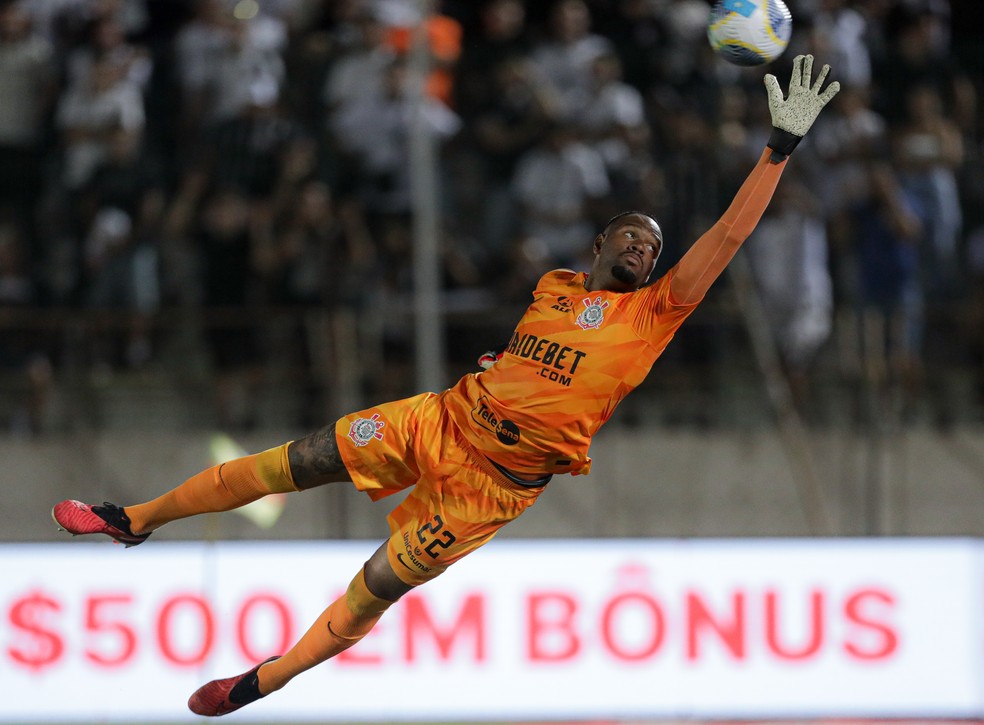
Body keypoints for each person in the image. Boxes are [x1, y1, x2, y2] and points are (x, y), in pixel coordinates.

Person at [51, 56, 840, 718]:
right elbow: (534, 357)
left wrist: (777, 149)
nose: (646, 244)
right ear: (601, 243)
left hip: (492, 486)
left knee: (378, 583)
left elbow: (730, 234)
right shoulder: (556, 284)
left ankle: (267, 678)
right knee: (296, 458)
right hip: (443, 417)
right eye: (633, 233)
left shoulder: (656, 311)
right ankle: (135, 518)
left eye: (656, 242)